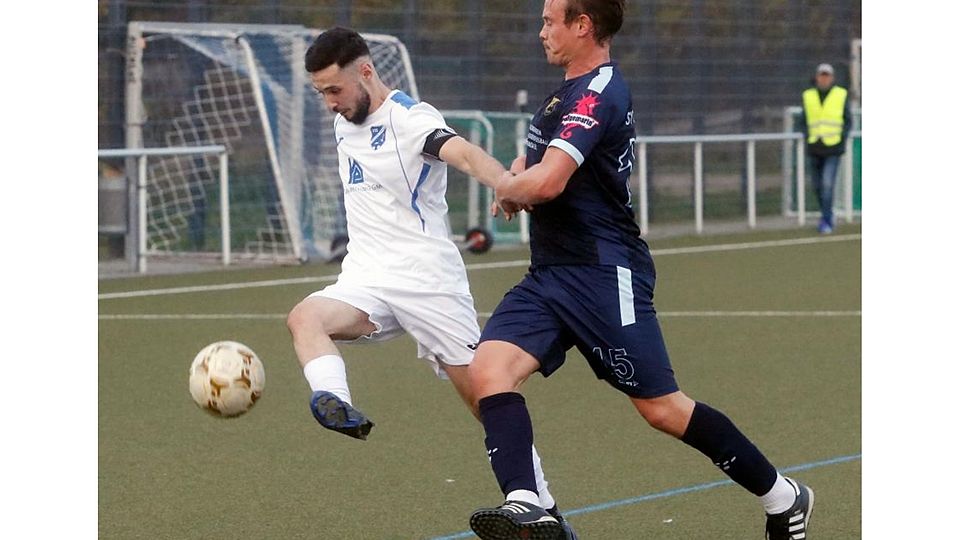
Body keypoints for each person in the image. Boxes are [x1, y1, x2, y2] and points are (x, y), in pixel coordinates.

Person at [465, 2, 814, 539]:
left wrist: (515, 188)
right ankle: (527, 506)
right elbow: (535, 172)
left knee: (663, 410)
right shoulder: (564, 93)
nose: (541, 33)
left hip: (607, 275)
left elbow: (549, 182)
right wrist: (517, 180)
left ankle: (784, 498)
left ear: (583, 26)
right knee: (488, 372)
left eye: (549, 21)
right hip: (551, 274)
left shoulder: (597, 93)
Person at [285, 27, 577, 539]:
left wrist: (509, 187)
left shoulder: (411, 119)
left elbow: (462, 154)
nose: (329, 103)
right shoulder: (343, 120)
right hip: (366, 275)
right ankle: (333, 402)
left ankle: (544, 508)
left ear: (366, 71)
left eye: (334, 89)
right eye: (320, 93)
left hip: (428, 281)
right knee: (304, 318)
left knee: (486, 399)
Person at [801, 62, 852, 234]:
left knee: (827, 183)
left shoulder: (840, 94)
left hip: (833, 147)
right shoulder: (809, 95)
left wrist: (842, 139)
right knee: (817, 186)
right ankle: (827, 214)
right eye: (821, 75)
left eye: (827, 75)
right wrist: (806, 136)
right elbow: (803, 119)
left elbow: (847, 120)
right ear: (817, 77)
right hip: (815, 146)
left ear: (832, 78)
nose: (824, 79)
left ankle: (827, 220)